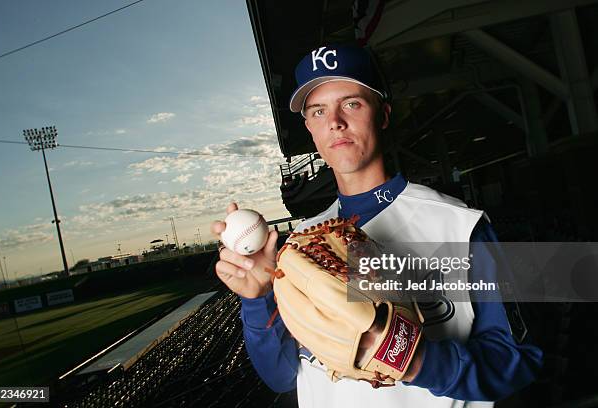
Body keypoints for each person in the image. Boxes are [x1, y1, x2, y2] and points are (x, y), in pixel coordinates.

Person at [211, 45, 542, 407]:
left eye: (351, 103)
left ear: (383, 115)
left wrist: (412, 360)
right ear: (309, 127)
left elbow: (518, 364)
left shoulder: (461, 226)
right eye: (318, 111)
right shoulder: (300, 247)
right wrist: (257, 300)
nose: (334, 121)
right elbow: (280, 376)